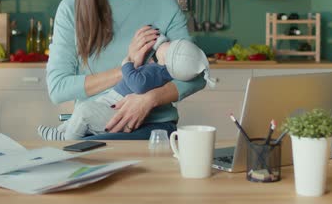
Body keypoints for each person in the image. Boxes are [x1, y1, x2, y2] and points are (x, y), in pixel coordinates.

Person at [45, 0, 206, 140]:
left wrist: (150, 99)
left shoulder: (163, 3)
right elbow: (59, 88)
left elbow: (196, 74)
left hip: (156, 130)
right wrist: (128, 68)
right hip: (94, 130)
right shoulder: (71, 10)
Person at [39, 35, 215, 140]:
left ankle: (67, 141)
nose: (165, 43)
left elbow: (137, 83)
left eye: (168, 46)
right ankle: (59, 133)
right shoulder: (159, 68)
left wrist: (127, 64)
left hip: (117, 108)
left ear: (169, 60)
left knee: (84, 112)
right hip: (112, 100)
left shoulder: (157, 72)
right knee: (79, 116)